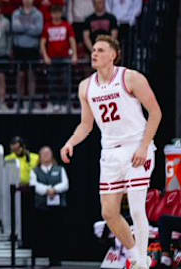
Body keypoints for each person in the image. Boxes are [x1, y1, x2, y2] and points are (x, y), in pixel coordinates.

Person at [61, 35, 161, 269]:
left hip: (136, 146)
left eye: (100, 50)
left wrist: (144, 146)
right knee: (109, 213)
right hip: (110, 152)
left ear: (113, 55)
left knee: (136, 207)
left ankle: (141, 264)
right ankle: (138, 256)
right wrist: (70, 142)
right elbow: (86, 125)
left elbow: (155, 113)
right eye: (93, 49)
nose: (94, 53)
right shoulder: (86, 86)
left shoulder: (130, 78)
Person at [29, 146, 69, 266]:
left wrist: (55, 189)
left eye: (48, 153)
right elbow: (33, 184)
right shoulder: (35, 171)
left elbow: (65, 184)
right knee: (43, 233)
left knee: (56, 233)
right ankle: (42, 258)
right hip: (41, 208)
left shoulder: (59, 169)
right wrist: (47, 190)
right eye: (44, 154)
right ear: (40, 157)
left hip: (57, 208)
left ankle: (55, 259)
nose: (46, 156)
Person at [40, 5, 77, 111]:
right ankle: (55, 102)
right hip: (52, 59)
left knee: (66, 81)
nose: (56, 15)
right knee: (52, 82)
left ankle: (64, 102)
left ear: (61, 14)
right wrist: (45, 56)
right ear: (51, 14)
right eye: (54, 13)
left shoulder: (67, 25)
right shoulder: (47, 26)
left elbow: (72, 40)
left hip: (65, 58)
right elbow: (42, 43)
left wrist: (74, 55)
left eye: (58, 13)